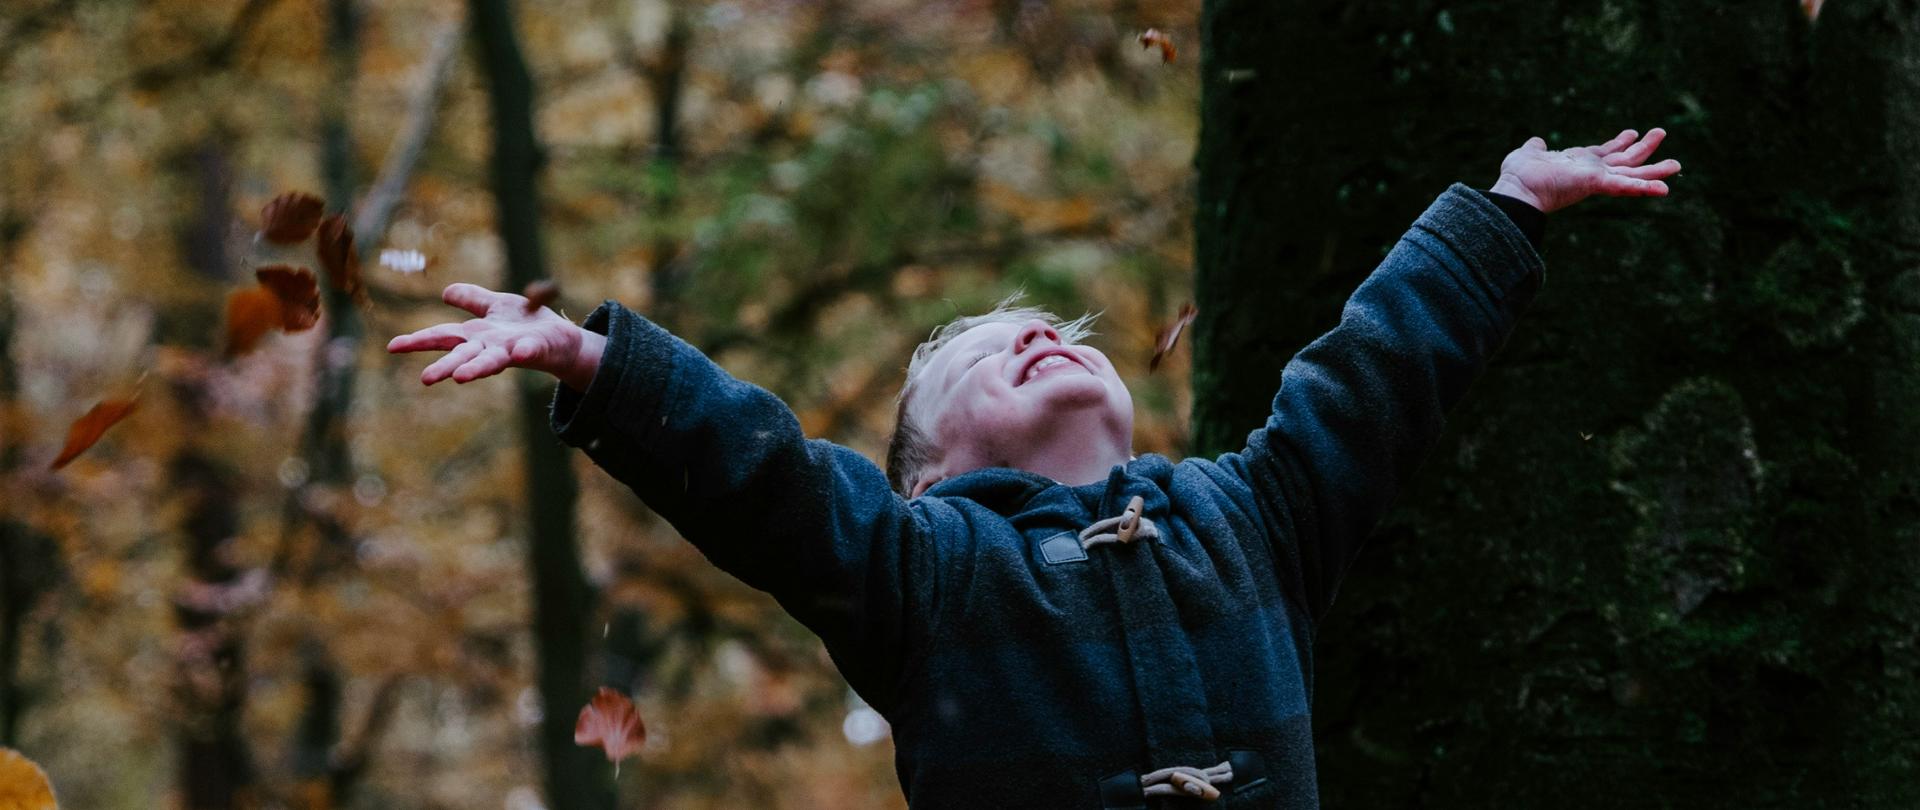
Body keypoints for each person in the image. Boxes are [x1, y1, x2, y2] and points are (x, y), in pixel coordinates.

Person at [390, 129, 1680, 808]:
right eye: (984, 352)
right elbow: (765, 475)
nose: (1037, 332)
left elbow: (1371, 381)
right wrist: (597, 363)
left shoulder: (1248, 518)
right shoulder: (928, 576)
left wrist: (1503, 206)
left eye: (1056, 331)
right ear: (927, 480)